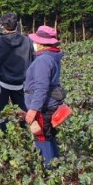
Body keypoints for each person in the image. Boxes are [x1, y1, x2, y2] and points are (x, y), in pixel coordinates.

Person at [24, 25, 64, 167]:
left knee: (41, 137)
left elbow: (41, 87)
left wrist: (33, 109)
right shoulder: (52, 56)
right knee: (49, 135)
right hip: (51, 103)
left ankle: (49, 171)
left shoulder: (43, 60)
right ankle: (57, 167)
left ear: (40, 43)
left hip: (44, 106)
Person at [0, 12, 33, 123]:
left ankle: (4, 136)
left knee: (2, 114)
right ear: (17, 24)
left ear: (3, 26)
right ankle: (23, 134)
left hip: (2, 83)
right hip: (20, 83)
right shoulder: (27, 41)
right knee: (22, 113)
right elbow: (32, 60)